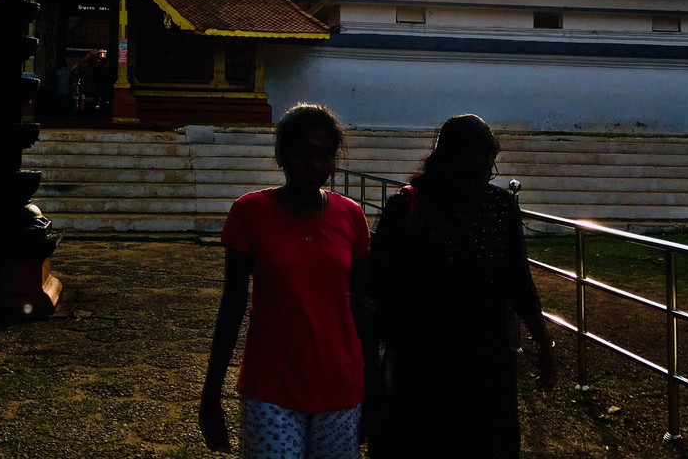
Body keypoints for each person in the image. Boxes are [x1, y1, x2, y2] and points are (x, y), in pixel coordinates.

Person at [369, 114, 553, 459]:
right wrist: (372, 371)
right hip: (423, 366)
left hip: (487, 365)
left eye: (482, 173)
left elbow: (518, 279)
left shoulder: (499, 207)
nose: (473, 183)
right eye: (464, 174)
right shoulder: (406, 208)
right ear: (443, 163)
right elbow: (380, 289)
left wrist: (542, 340)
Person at [200, 103, 373, 458]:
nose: (314, 164)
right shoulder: (250, 212)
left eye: (324, 154)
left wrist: (374, 392)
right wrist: (211, 394)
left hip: (341, 387)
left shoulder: (351, 216)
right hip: (271, 387)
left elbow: (362, 307)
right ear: (281, 155)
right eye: (302, 152)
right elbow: (232, 306)